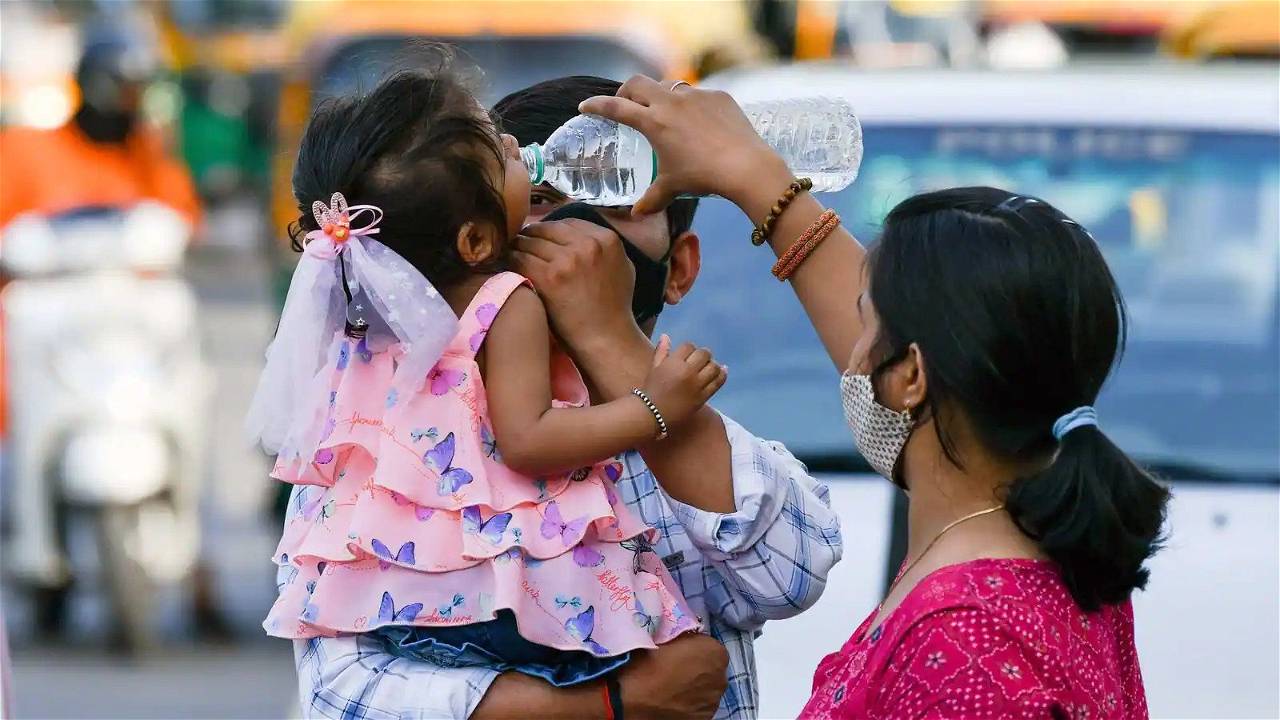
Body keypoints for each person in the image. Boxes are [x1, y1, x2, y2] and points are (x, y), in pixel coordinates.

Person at [578, 77, 1168, 718]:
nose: (850, 354)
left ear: (910, 375)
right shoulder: (1049, 549)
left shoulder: (969, 635)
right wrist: (754, 178)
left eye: (868, 325)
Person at [281, 75, 843, 720]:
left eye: (611, 209)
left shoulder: (676, 423)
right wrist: (611, 705)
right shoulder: (387, 447)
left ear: (680, 269)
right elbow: (341, 691)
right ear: (471, 233)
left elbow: (791, 573)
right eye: (540, 201)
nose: (576, 244)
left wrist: (610, 340)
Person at [0, 32, 200, 230]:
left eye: (140, 88)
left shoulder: (149, 154)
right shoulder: (25, 148)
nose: (136, 99)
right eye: (128, 88)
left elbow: (183, 221)